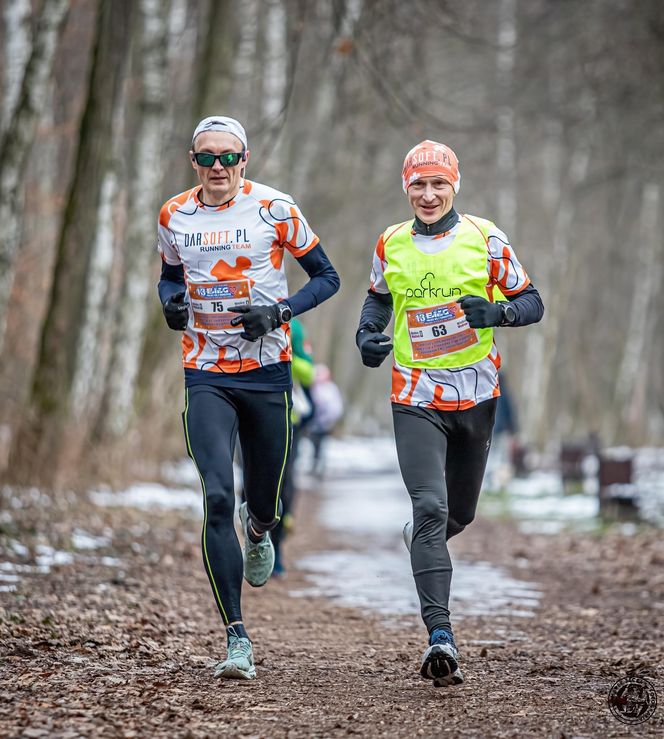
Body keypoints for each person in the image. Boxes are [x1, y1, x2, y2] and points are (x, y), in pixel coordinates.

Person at [157, 116, 339, 680]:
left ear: (245, 159)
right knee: (215, 497)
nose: (217, 168)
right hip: (205, 372)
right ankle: (237, 638)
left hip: (267, 373)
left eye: (227, 157)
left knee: (263, 499)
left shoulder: (276, 209)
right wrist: (171, 304)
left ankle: (259, 527)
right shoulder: (174, 215)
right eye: (206, 157)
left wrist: (278, 312)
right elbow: (169, 278)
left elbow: (326, 277)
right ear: (193, 161)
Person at [355, 140, 543, 688]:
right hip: (414, 394)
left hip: (477, 396)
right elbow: (378, 297)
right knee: (431, 508)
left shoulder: (485, 238)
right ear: (406, 188)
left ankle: (423, 536)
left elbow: (532, 300)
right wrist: (367, 334)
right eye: (419, 184)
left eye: (439, 184)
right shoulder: (391, 242)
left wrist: (500, 312)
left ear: (454, 185)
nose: (429, 194)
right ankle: (441, 637)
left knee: (456, 516)